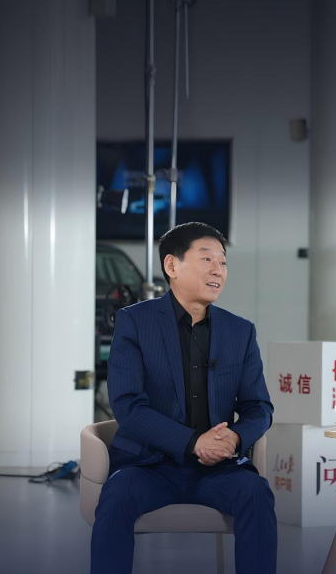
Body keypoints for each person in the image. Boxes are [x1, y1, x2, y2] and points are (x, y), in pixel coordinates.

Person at [90, 222, 276, 574]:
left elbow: (259, 407)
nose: (218, 270)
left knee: (256, 493)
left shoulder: (240, 331)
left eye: (223, 262)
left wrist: (234, 438)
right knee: (117, 496)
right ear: (172, 265)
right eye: (207, 259)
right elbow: (128, 405)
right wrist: (193, 442)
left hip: (218, 470)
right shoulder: (134, 322)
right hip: (149, 466)